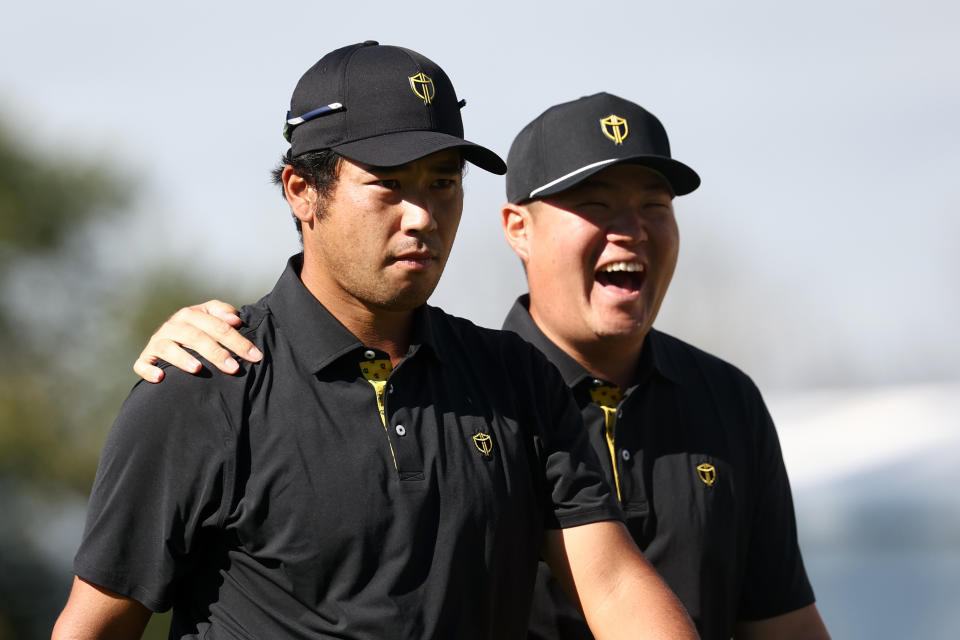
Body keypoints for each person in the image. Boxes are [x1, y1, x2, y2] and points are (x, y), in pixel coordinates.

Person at [52, 44, 696, 640]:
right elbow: (94, 626)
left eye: (443, 182)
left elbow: (611, 585)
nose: (422, 215)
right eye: (389, 182)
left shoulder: (514, 378)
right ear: (303, 192)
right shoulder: (207, 384)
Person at [138, 91, 830, 639]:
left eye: (655, 205)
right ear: (516, 229)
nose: (633, 229)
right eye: (595, 204)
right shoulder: (474, 386)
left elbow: (776, 621)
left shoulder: (725, 399)